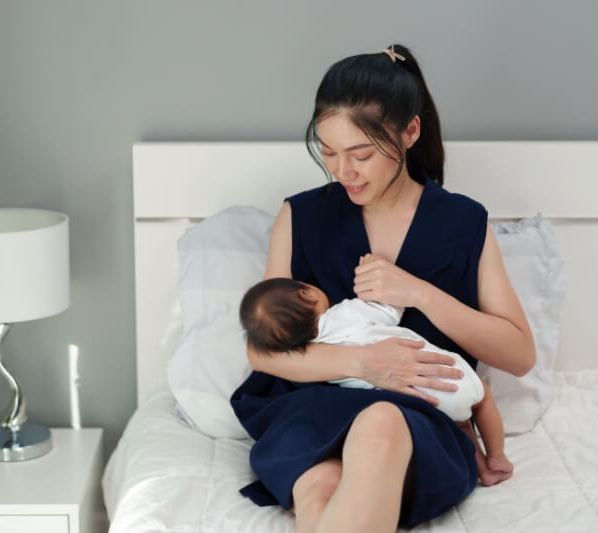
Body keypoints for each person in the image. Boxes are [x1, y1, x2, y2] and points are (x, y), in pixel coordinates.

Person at [229, 43, 535, 533]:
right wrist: (364, 364)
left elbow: (519, 354)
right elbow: (262, 352)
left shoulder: (462, 222)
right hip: (312, 402)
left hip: (421, 419)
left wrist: (419, 293)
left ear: (410, 131)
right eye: (328, 152)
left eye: (361, 154)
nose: (342, 171)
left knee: (381, 424)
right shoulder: (301, 216)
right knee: (317, 484)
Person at [238, 276, 515, 487]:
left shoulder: (316, 359)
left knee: (460, 421)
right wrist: (376, 288)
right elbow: (390, 309)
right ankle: (496, 457)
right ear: (306, 292)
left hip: (423, 403)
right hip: (446, 373)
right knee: (482, 399)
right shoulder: (346, 313)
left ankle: (481, 468)